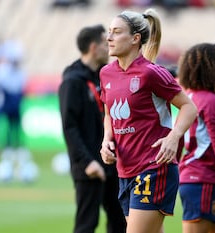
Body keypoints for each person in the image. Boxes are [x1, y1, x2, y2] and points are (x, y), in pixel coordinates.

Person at [99, 8, 197, 233]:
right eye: (109, 31)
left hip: (153, 167)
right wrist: (106, 141)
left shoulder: (151, 73)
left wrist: (173, 138)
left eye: (116, 32)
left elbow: (189, 107)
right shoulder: (106, 73)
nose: (109, 37)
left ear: (135, 39)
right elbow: (108, 113)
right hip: (125, 170)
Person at [58, 24, 126, 233]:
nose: (110, 47)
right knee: (87, 224)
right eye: (106, 43)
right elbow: (69, 127)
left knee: (120, 221)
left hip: (110, 162)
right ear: (94, 47)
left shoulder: (103, 77)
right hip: (88, 166)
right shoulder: (72, 82)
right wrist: (86, 162)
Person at [177, 43, 215, 233]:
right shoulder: (211, 101)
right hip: (201, 180)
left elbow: (178, 138)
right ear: (212, 69)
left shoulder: (189, 97)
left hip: (200, 179)